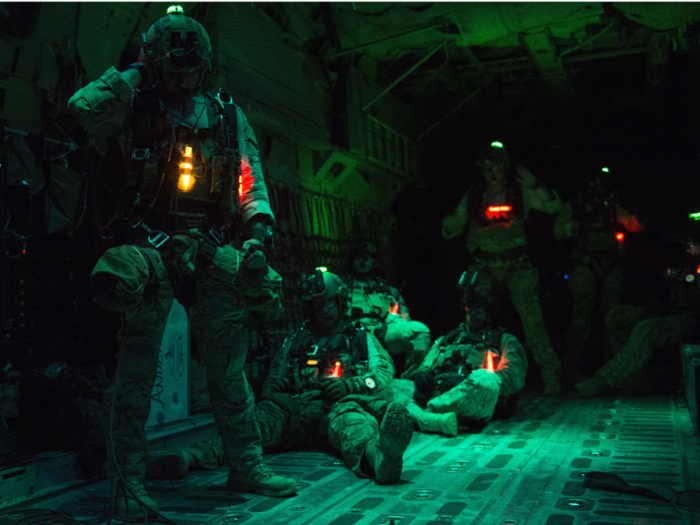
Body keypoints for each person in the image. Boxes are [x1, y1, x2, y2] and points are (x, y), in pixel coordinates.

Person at [67, 7, 296, 518]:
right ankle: (126, 481)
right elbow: (82, 111)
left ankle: (247, 464)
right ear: (154, 63)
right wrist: (136, 73)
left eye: (189, 67)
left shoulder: (224, 114)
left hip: (212, 249)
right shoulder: (134, 103)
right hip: (151, 249)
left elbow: (249, 180)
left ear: (204, 65)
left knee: (229, 369)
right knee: (136, 372)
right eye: (171, 67)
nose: (181, 76)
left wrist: (257, 236)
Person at [442, 141, 562, 394]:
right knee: (476, 321)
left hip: (516, 267)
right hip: (484, 267)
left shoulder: (520, 193)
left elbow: (553, 206)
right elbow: (454, 225)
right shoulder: (474, 196)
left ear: (506, 168)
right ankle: (471, 372)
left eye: (497, 167)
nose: (493, 173)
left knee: (534, 324)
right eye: (487, 169)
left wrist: (535, 184)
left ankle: (551, 375)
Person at [395, 273, 527, 436]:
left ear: (490, 313)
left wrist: (465, 382)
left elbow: (512, 379)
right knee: (391, 386)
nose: (474, 313)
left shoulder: (504, 340)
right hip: (436, 390)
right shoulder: (448, 338)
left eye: (479, 308)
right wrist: (422, 374)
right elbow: (426, 364)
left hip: (473, 398)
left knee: (486, 380)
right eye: (470, 308)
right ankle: (432, 417)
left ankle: (424, 414)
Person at [575, 241, 700, 397]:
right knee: (617, 317)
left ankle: (603, 380)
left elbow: (691, 301)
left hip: (691, 320)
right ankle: (633, 382)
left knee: (646, 330)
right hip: (672, 311)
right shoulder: (682, 263)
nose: (692, 249)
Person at [553, 168, 643, 380]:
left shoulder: (611, 207)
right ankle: (571, 367)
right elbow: (558, 231)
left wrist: (623, 206)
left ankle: (613, 367)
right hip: (585, 265)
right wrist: (573, 227)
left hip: (610, 266)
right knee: (580, 318)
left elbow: (635, 225)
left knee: (612, 318)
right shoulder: (574, 206)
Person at [344, 236, 431, 379]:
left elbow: (404, 317)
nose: (362, 261)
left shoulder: (388, 290)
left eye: (367, 257)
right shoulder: (342, 287)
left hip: (383, 331)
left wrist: (399, 323)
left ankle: (411, 380)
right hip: (354, 333)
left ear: (374, 260)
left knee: (419, 331)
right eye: (358, 257)